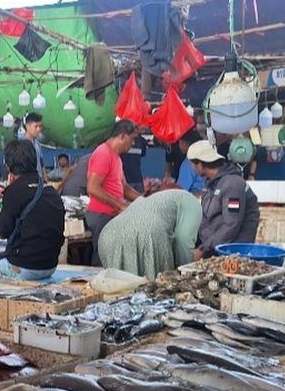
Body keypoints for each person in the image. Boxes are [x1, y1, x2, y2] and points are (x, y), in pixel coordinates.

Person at [0, 140, 65, 281]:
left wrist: (10, 189)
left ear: (9, 166)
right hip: (50, 267)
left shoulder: (14, 191)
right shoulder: (50, 191)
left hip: (24, 268)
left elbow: (2, 232)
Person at [98, 189, 202, 278]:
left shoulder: (154, 199)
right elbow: (183, 239)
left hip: (108, 233)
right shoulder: (193, 203)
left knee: (118, 290)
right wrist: (187, 271)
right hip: (147, 232)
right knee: (155, 290)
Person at [189, 140, 261, 259]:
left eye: (192, 164)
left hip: (232, 253)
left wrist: (203, 249)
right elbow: (207, 218)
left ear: (199, 164)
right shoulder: (210, 184)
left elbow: (231, 225)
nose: (192, 168)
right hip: (213, 248)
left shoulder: (232, 185)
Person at [85, 119, 141, 258]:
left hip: (111, 215)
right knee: (103, 258)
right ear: (122, 136)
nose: (133, 143)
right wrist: (120, 205)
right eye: (132, 139)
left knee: (113, 257)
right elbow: (92, 187)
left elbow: (124, 187)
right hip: (101, 215)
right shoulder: (103, 153)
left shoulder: (116, 157)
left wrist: (143, 200)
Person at [172, 130, 206, 195]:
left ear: (185, 143)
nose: (179, 146)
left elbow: (180, 190)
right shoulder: (203, 158)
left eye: (180, 142)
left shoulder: (188, 163)